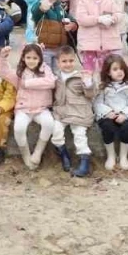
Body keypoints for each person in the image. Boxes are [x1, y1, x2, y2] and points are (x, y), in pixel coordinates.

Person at [50, 45, 95, 177]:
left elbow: (91, 94)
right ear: (58, 63)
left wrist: (88, 82)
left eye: (71, 60)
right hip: (62, 112)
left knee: (79, 134)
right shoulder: (55, 78)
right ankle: (64, 155)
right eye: (64, 61)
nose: (68, 64)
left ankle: (84, 161)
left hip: (78, 112)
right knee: (56, 131)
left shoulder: (81, 76)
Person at [73, 0, 124, 74]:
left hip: (108, 43)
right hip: (89, 44)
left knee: (105, 72)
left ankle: (104, 89)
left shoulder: (109, 0)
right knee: (88, 72)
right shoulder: (83, 1)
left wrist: (112, 19)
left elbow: (119, 14)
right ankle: (88, 89)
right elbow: (81, 19)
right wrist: (98, 19)